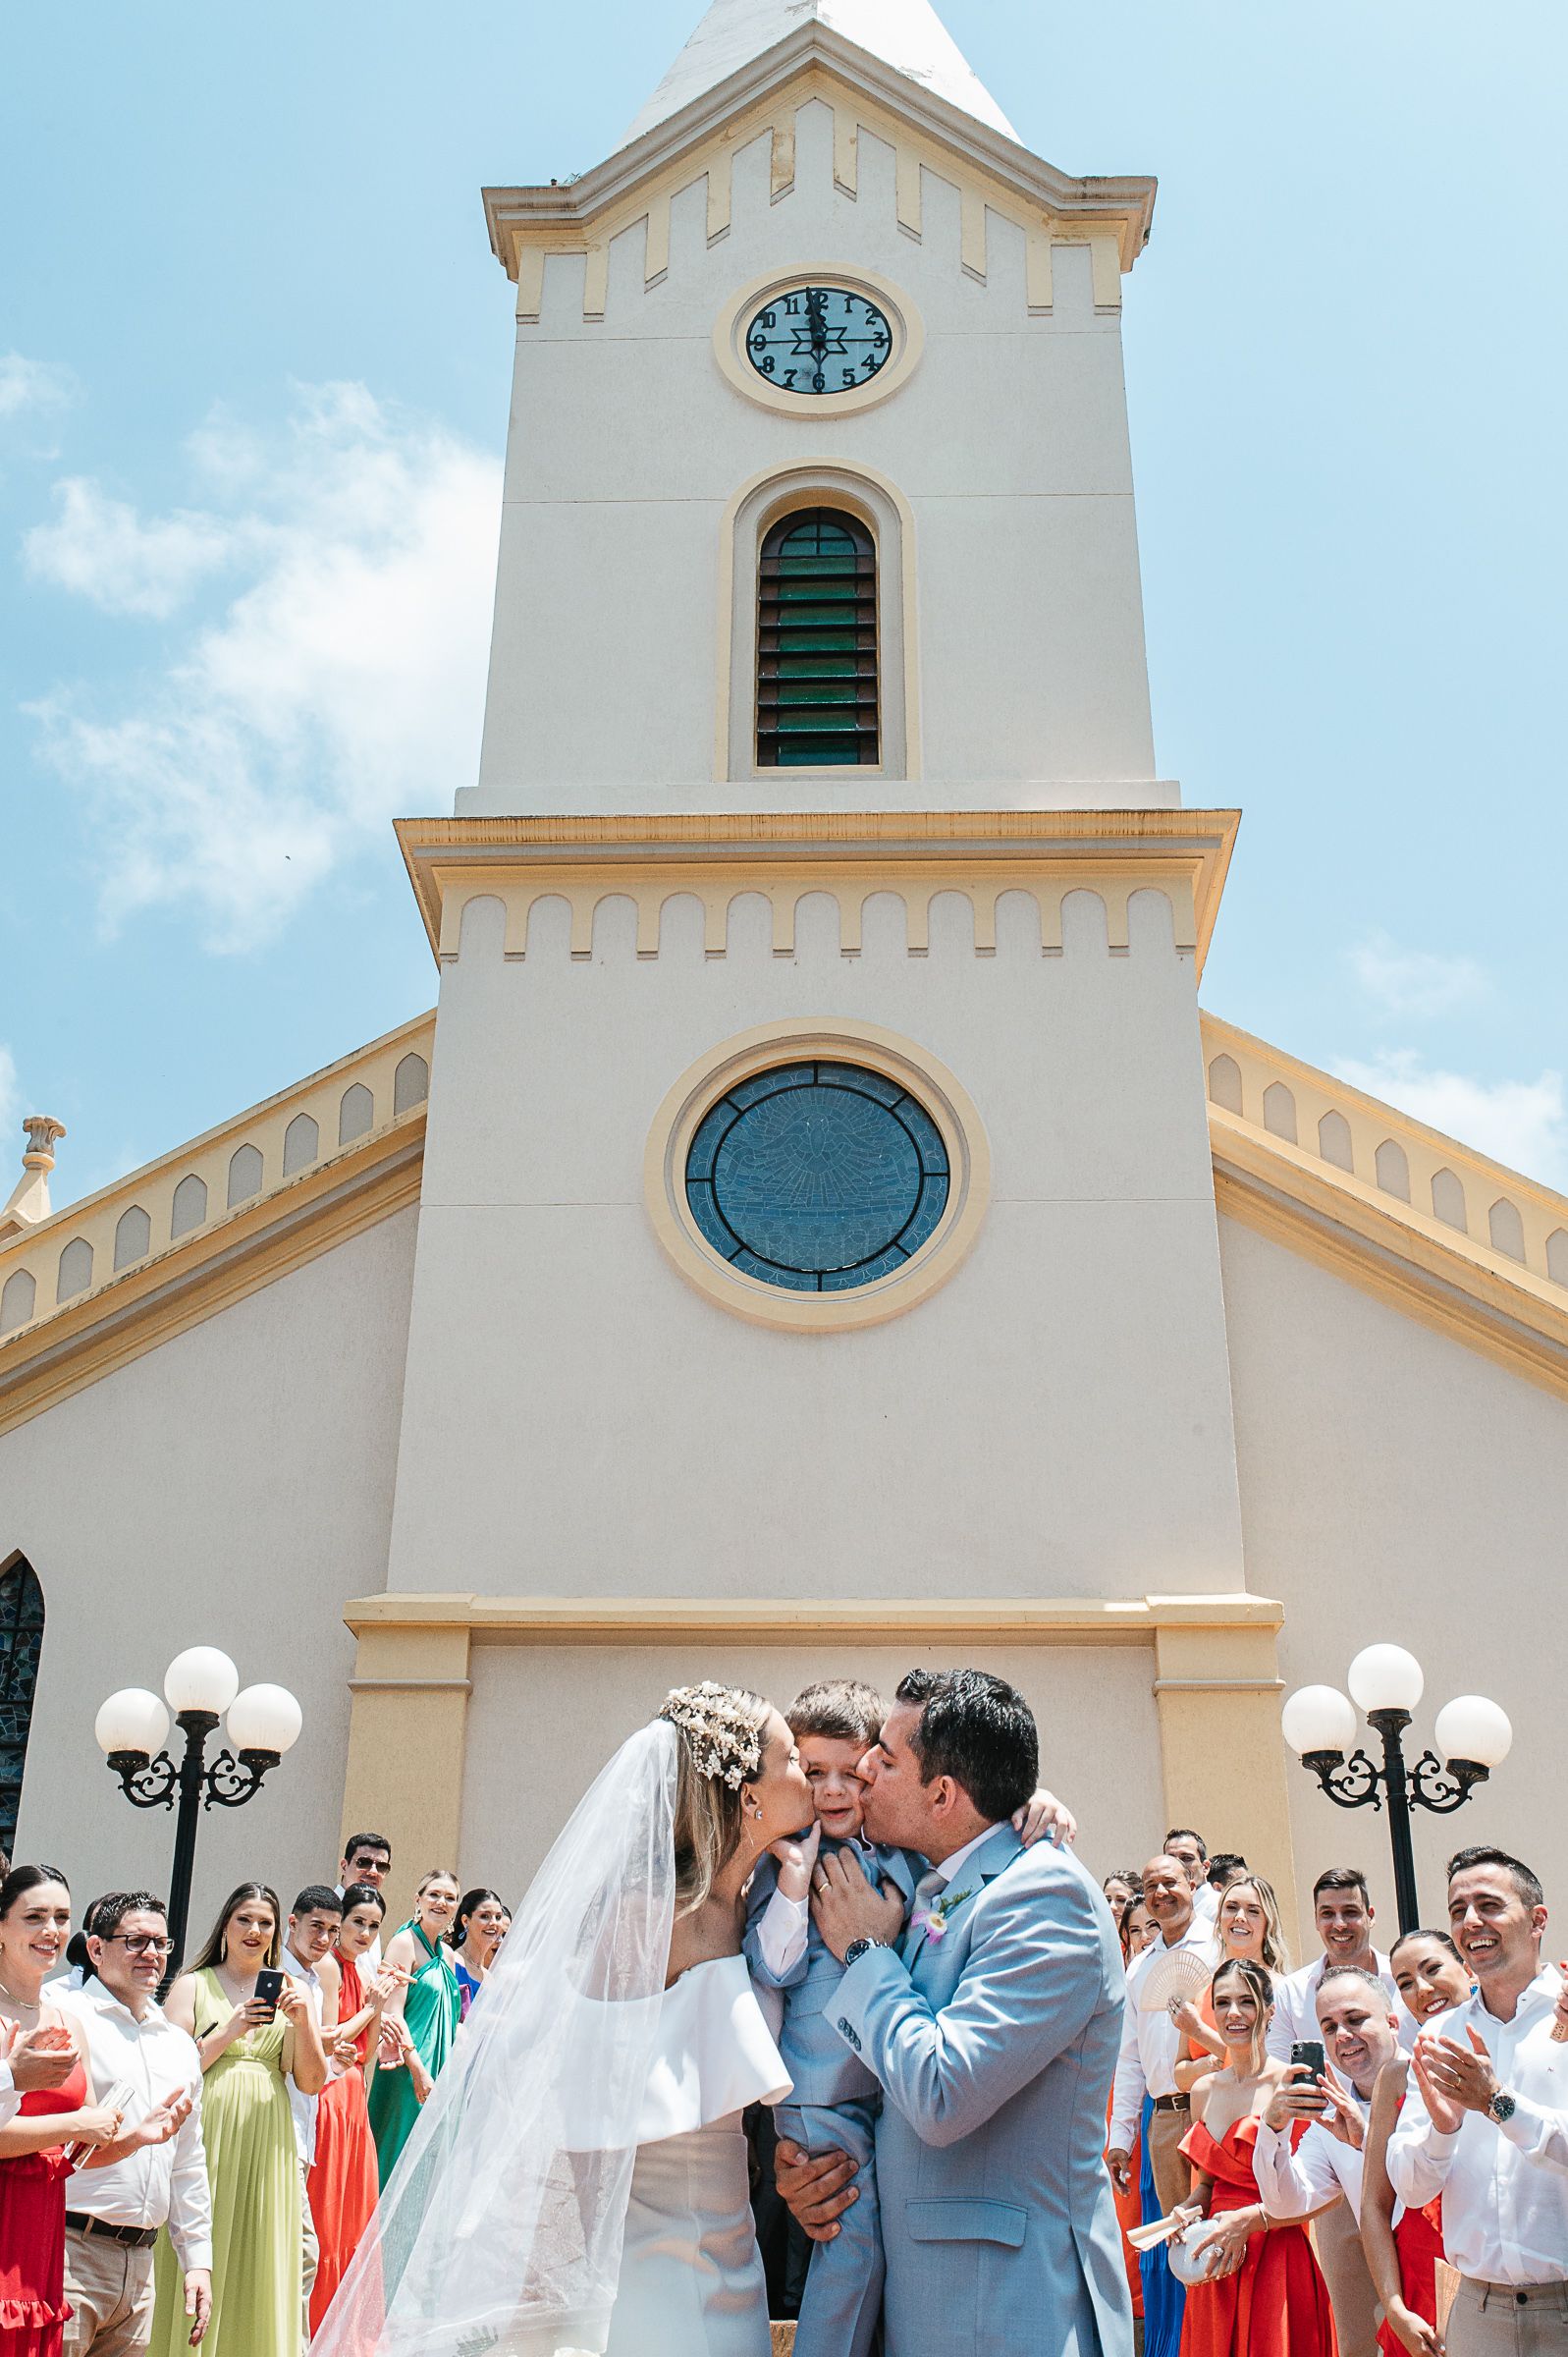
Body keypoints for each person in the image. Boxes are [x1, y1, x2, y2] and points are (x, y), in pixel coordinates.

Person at [309, 1679, 808, 2357]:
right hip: (660, 2270)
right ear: (747, 1794)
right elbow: (577, 2090)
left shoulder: (751, 1901)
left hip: (729, 2254)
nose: (805, 1771)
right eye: (791, 1760)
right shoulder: (645, 1917)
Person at [780, 1667, 1131, 2357]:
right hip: (917, 2296)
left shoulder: (1042, 1897)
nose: (864, 1771)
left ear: (941, 1793)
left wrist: (860, 1951)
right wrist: (814, 2168)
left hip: (1005, 2308)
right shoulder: (927, 1883)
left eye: (884, 1756)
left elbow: (943, 2091)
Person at [1387, 1845, 1568, 2353]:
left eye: (1489, 1905)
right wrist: (1442, 2134)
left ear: (1537, 1920)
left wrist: (1498, 2103)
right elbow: (1411, 2188)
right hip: (1478, 2311)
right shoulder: (1441, 2034)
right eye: (1458, 1911)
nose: (1471, 1921)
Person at [150, 1882, 328, 2357]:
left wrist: (305, 2020)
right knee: (200, 2245)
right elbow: (171, 2070)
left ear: (276, 1932)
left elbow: (311, 2081)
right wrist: (232, 2028)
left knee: (261, 2258)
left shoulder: (290, 1989)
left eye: (264, 1923)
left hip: (267, 2145)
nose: (254, 1930)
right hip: (205, 2139)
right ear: (225, 1925)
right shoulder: (193, 1984)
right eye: (244, 1919)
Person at [56, 1890, 212, 2357]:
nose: (152, 1955)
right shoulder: (66, 2018)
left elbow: (187, 2162)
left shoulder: (177, 2044)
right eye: (136, 1941)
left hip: (142, 2263)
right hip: (68, 2251)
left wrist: (197, 2261)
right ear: (97, 1949)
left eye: (161, 1945)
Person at [0, 1867, 140, 2357]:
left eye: (61, 1917)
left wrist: (139, 2136)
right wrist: (80, 2122)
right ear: (1, 1926)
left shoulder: (69, 2022)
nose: (51, 1930)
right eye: (34, 1916)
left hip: (42, 2229)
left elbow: (77, 2152)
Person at [1268, 1866, 1406, 2356]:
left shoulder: (1403, 1973)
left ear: (1370, 1915)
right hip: (1333, 2153)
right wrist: (1281, 2130)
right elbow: (1280, 2070)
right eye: (1328, 1914)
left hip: (1404, 2143)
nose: (1339, 1923)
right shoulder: (1292, 1989)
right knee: (1355, 2323)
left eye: (1350, 1911)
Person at [1175, 1957, 1336, 2356]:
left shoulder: (1295, 2083)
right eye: (1223, 2002)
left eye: (1246, 2001)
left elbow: (1324, 2191)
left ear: (1270, 2010)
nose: (1233, 2013)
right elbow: (1209, 2185)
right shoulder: (1203, 2091)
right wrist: (1188, 2208)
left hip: (1278, 2251)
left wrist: (1253, 2221)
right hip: (1217, 2259)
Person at [1360, 1931, 1471, 2357]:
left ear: (1466, 1966)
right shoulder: (1398, 2075)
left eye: (1432, 1969)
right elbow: (1374, 2205)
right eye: (1405, 1982)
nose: (1422, 1990)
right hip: (1423, 2279)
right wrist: (1394, 2306)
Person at [1251, 1965, 1404, 2223]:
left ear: (1392, 2023)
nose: (1342, 2035)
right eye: (1330, 2028)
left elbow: (1423, 2186)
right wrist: (1274, 2127)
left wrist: (1365, 2140)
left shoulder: (1433, 2087)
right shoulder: (1331, 2123)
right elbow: (1285, 2204)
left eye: (1355, 2019)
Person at [1109, 1855, 1217, 2216]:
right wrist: (1121, 2140)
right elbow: (1130, 2058)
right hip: (1165, 2120)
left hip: (1215, 2111)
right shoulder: (1139, 1968)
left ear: (1191, 1883)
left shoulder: (1220, 1949)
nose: (1161, 1892)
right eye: (1151, 1885)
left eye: (1170, 1882)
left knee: (1227, 2234)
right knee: (1183, 2245)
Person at [306, 1884, 387, 2334]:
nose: (365, 1933)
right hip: (332, 2097)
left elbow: (365, 2051)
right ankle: (318, 2321)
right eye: (358, 1922)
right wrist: (371, 2008)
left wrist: (376, 2010)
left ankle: (343, 2326)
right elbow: (332, 2037)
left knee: (354, 2212)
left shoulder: (360, 1973)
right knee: (327, 2211)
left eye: (373, 1926)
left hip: (354, 2096)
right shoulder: (330, 1967)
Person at [366, 1870, 461, 2184]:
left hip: (439, 2066)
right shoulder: (403, 1944)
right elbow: (393, 2015)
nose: (441, 1902)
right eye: (434, 1894)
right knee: (397, 2157)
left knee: (427, 2166)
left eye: (450, 1897)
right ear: (417, 1899)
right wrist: (418, 2069)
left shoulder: (447, 1955)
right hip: (407, 2070)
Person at [279, 1888, 341, 2347]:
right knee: (303, 2254)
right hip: (276, 2127)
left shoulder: (315, 1980)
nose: (324, 1938)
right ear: (293, 1924)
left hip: (301, 2128)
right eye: (316, 1926)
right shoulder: (278, 1977)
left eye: (332, 1930)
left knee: (296, 2255)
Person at [1173, 1878, 1289, 2096]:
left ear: (1268, 1922)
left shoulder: (1281, 1989)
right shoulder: (1201, 1988)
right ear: (1219, 1919)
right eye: (1232, 1908)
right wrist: (1208, 2065)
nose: (1240, 1917)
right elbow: (1180, 2076)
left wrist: (1199, 2032)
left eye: (1253, 1911)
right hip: (1206, 2116)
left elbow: (1269, 2065)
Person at [333, 1838, 390, 1977]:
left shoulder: (372, 1914)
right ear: (344, 1866)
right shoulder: (322, 1910)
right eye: (364, 1863)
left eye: (381, 1867)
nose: (373, 1872)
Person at [447, 1889, 507, 2019]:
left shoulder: (490, 1979)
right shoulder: (451, 1962)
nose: (493, 1923)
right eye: (485, 1916)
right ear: (465, 1921)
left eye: (498, 1917)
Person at [1165, 1830, 1217, 1927]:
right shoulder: (1162, 1908)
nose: (1178, 1865)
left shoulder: (1219, 1907)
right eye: (1171, 1859)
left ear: (1205, 1867)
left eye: (1186, 1858)